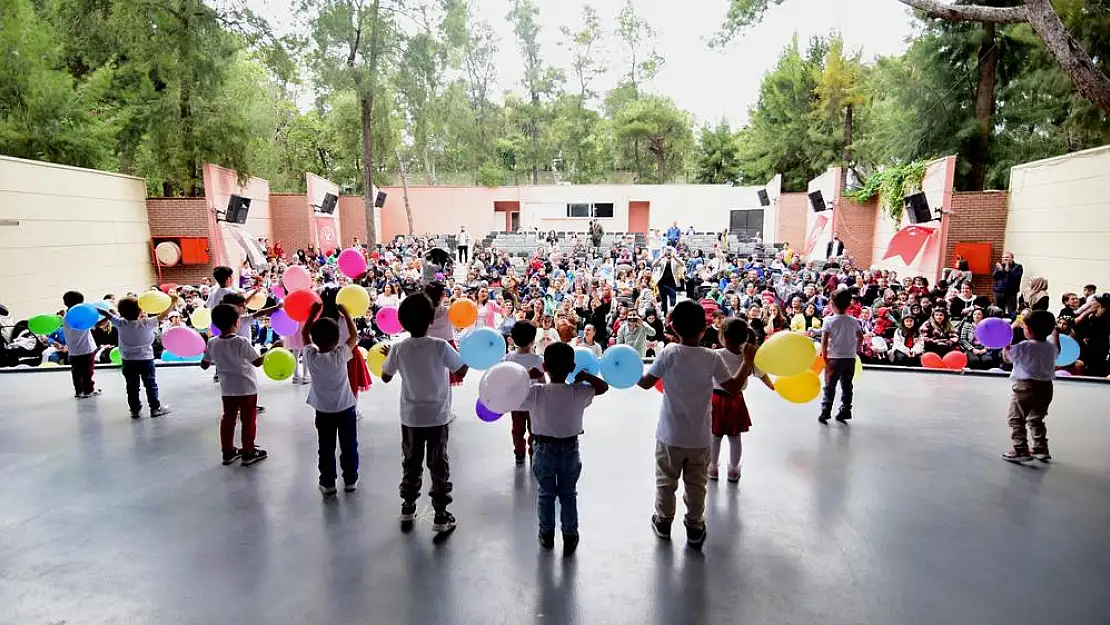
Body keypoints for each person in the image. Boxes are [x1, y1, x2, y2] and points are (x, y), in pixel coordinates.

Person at [637, 300, 757, 549]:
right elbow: (733, 388)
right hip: (700, 438)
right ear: (704, 328)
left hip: (669, 435)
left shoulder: (669, 352)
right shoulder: (711, 357)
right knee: (696, 485)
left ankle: (663, 521)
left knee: (665, 482)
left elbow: (646, 383)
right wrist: (747, 361)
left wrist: (627, 368)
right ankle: (694, 526)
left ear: (672, 326)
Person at [380, 293, 469, 537]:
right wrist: (469, 357)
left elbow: (386, 376)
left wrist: (389, 357)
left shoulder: (398, 348)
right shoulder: (440, 346)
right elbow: (461, 371)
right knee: (438, 464)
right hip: (437, 416)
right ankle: (440, 514)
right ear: (431, 319)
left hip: (411, 417)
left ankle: (408, 506)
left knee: (411, 461)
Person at [518, 342, 608, 553]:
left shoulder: (535, 393)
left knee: (545, 494)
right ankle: (570, 534)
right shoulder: (578, 392)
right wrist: (585, 376)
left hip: (543, 449)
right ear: (572, 367)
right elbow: (603, 388)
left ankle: (546, 534)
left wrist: (529, 375)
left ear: (545, 367)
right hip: (570, 449)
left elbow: (511, 392)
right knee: (568, 494)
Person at [301, 301, 360, 495]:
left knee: (325, 447)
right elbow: (355, 336)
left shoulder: (310, 355)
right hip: (346, 409)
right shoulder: (341, 354)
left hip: (323, 411)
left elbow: (304, 334)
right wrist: (346, 313)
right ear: (337, 339)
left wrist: (313, 314)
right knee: (349, 445)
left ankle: (328, 483)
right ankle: (350, 480)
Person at [201, 304, 266, 467]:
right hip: (246, 388)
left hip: (227, 389)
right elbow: (257, 362)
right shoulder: (241, 342)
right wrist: (273, 349)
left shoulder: (212, 342)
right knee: (248, 420)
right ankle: (248, 451)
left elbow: (204, 364)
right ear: (237, 322)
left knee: (228, 419)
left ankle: (228, 451)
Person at [710, 319, 773, 483]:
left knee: (715, 436)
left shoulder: (716, 355)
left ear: (723, 336)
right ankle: (733, 469)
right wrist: (773, 386)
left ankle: (712, 467)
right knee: (735, 436)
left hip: (716, 400)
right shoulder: (750, 358)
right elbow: (762, 375)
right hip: (736, 401)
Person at [1000, 310, 1058, 464]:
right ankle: (1040, 448)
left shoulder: (1024, 346)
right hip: (1046, 388)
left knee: (1016, 418)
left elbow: (1007, 358)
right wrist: (1056, 334)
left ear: (1029, 330)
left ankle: (1020, 449)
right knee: (1036, 418)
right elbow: (1058, 349)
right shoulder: (1050, 347)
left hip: (1025, 387)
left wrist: (1006, 343)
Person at [104, 295, 174, 418]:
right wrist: (172, 302)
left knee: (131, 386)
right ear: (140, 310)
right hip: (146, 359)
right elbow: (163, 315)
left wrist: (101, 310)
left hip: (128, 360)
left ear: (121, 313)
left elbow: (109, 315)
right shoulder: (147, 323)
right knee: (150, 384)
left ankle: (135, 409)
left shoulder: (120, 323)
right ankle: (155, 408)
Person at [819, 289, 864, 424]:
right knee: (847, 385)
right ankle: (845, 409)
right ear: (849, 304)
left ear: (832, 304)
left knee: (829, 386)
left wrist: (824, 355)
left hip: (833, 358)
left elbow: (824, 340)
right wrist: (856, 350)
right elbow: (860, 337)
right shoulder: (854, 321)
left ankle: (826, 411)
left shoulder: (828, 321)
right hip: (849, 358)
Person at [505, 321, 544, 465]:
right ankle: (533, 452)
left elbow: (506, 380)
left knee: (517, 429)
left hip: (516, 403)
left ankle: (519, 453)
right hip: (533, 402)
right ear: (533, 340)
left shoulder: (509, 358)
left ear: (513, 339)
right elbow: (542, 382)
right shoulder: (538, 359)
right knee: (534, 430)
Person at [62, 291, 100, 398]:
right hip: (86, 349)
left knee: (76, 372)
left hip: (73, 351)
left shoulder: (66, 317)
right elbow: (95, 324)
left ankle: (78, 390)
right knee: (88, 371)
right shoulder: (82, 316)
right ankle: (88, 390)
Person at [652, 248, 685, 315]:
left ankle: (672, 313)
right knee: (663, 300)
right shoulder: (662, 260)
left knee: (673, 298)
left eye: (670, 252)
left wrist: (674, 257)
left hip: (672, 283)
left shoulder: (675, 260)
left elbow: (682, 264)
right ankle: (665, 313)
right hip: (662, 282)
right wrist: (661, 257)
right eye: (667, 252)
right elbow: (654, 265)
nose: (668, 254)